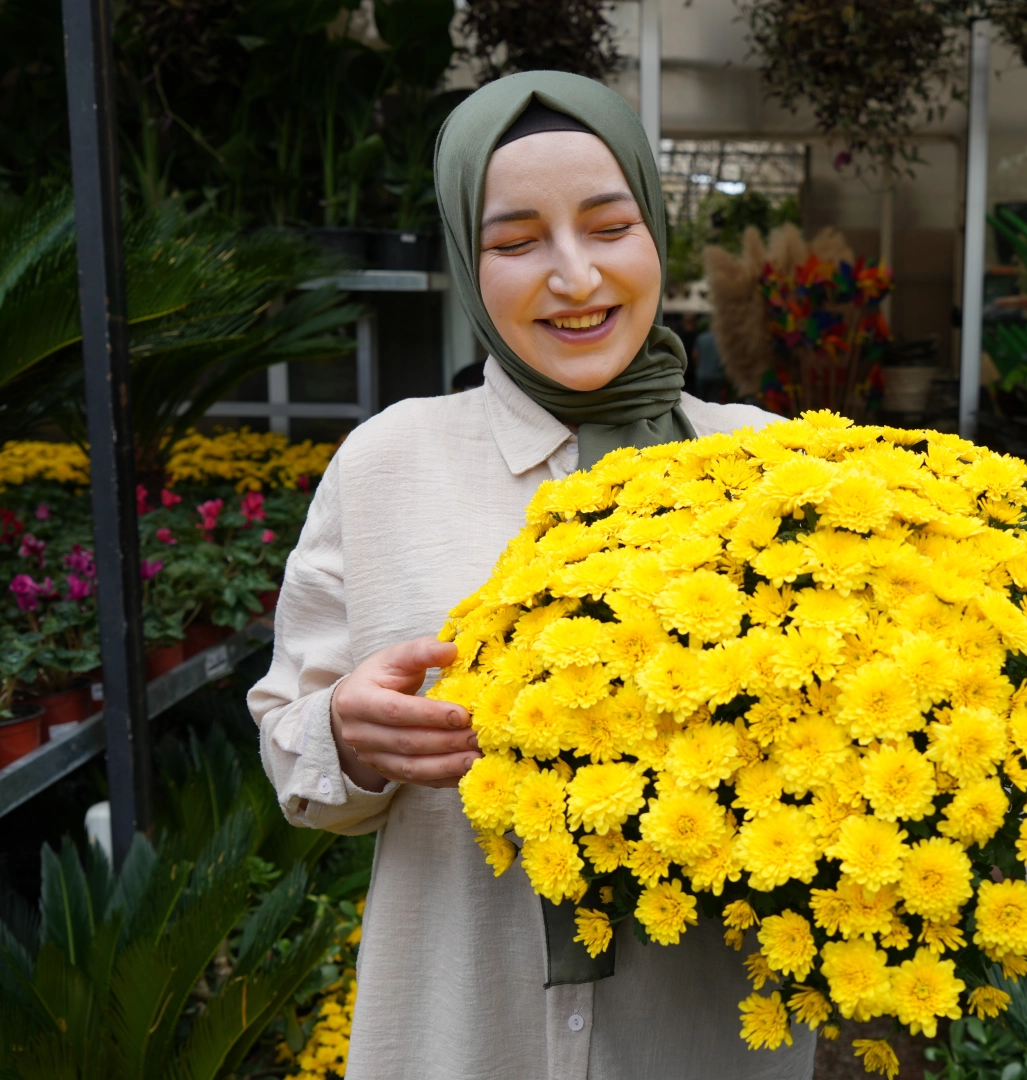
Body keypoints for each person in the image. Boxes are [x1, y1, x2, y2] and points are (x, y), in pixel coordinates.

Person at [247, 72, 815, 1080]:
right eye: (516, 242)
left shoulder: (780, 471)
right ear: (467, 262)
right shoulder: (388, 465)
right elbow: (295, 752)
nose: (576, 277)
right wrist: (346, 736)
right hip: (463, 1034)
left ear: (656, 233)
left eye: (610, 227)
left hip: (699, 1042)